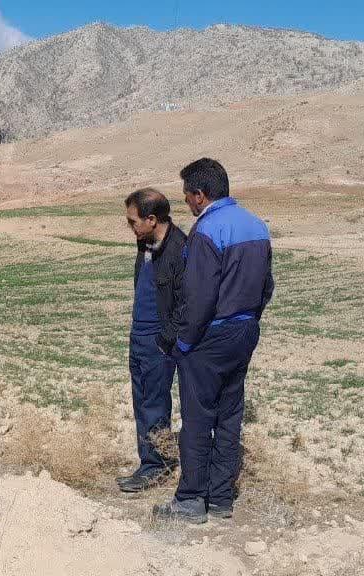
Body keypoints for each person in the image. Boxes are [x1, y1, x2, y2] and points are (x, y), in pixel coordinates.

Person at [154, 158, 274, 524]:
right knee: (229, 414)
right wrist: (249, 319)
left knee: (196, 417)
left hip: (211, 335)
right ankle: (221, 498)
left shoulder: (207, 232)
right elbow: (266, 286)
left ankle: (191, 499)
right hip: (245, 330)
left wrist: (185, 344)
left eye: (187, 197)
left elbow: (199, 298)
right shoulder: (257, 226)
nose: (186, 205)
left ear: (200, 195)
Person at [117, 188, 187, 493]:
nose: (130, 227)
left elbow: (187, 302)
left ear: (152, 218)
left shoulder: (179, 249)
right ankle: (150, 462)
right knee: (141, 400)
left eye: (133, 221)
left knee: (154, 404)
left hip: (157, 342)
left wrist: (165, 340)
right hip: (139, 336)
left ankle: (155, 468)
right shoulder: (144, 242)